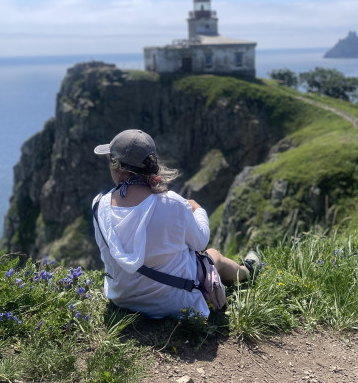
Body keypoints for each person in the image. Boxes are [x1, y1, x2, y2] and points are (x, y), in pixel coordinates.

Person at [92, 129, 260, 318]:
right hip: (175, 302)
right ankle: (248, 271)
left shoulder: (99, 204)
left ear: (117, 167)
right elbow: (199, 243)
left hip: (122, 298)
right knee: (213, 256)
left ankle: (246, 270)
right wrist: (197, 210)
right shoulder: (172, 203)